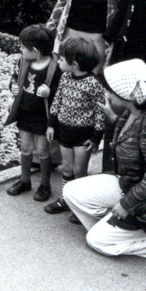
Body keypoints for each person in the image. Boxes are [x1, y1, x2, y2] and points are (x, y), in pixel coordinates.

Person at [63, 59, 146, 262]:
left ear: (126, 93)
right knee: (71, 191)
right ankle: (126, 230)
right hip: (129, 184)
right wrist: (111, 117)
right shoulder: (132, 112)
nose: (107, 94)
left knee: (96, 242)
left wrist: (126, 204)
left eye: (111, 90)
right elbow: (133, 137)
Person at [43, 37, 106, 221]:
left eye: (61, 59)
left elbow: (100, 112)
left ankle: (81, 206)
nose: (58, 61)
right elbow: (57, 101)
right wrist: (51, 124)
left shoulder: (94, 84)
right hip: (64, 131)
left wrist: (96, 137)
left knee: (80, 171)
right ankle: (65, 199)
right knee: (67, 169)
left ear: (74, 64)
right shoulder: (64, 77)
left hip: (83, 135)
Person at [5, 25, 62, 201]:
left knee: (43, 152)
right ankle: (25, 180)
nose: (20, 50)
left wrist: (49, 93)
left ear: (35, 51)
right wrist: (13, 87)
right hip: (24, 113)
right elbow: (16, 78)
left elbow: (60, 92)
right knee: (26, 148)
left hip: (43, 118)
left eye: (23, 47)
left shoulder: (56, 67)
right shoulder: (23, 62)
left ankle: (45, 184)